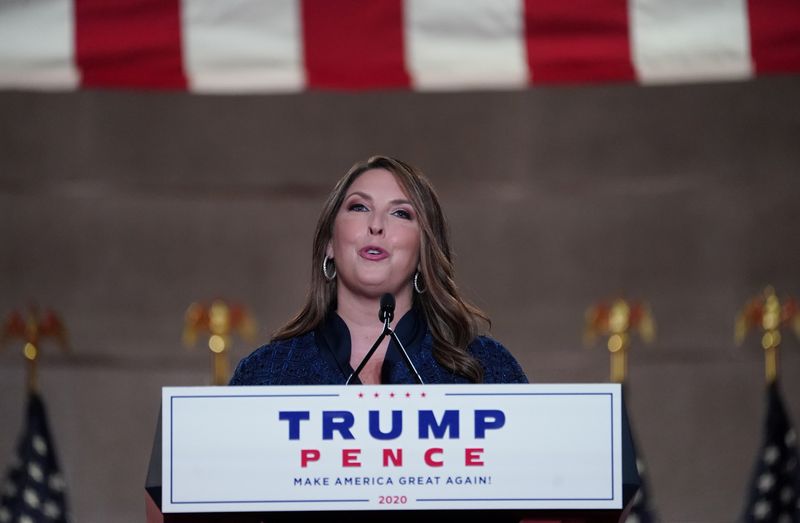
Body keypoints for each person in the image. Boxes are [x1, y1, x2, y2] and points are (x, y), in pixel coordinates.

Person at [229, 155, 527, 385]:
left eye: (400, 213)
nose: (376, 225)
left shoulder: (487, 369)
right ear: (329, 244)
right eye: (359, 208)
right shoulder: (265, 375)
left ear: (424, 252)